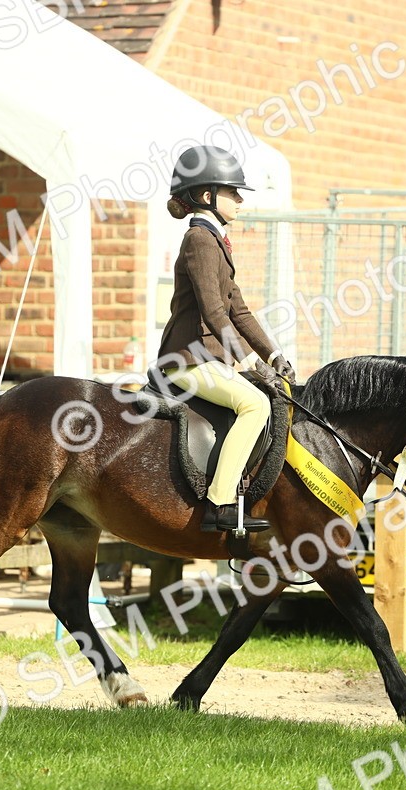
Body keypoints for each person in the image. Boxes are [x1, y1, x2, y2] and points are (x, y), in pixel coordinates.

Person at [157, 145, 295, 534]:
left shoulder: (214, 241)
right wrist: (247, 360)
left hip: (206, 358)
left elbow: (239, 310)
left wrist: (274, 353)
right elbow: (214, 310)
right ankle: (220, 503)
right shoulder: (199, 240)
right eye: (233, 193)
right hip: (185, 360)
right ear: (206, 196)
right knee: (254, 405)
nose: (239, 200)